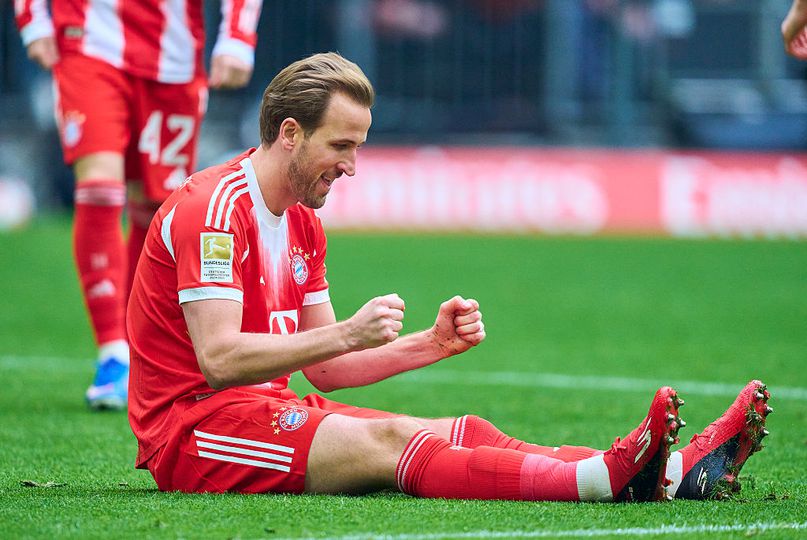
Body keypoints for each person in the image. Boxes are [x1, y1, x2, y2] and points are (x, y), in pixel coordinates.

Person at [127, 52, 772, 501]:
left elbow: (324, 370)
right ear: (290, 133)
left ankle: (673, 473)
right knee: (393, 440)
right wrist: (349, 332)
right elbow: (219, 360)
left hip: (260, 408)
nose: (352, 167)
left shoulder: (302, 222)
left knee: (462, 430)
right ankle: (606, 480)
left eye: (359, 147)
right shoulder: (214, 211)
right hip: (193, 431)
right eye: (341, 146)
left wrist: (427, 345)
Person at [14, 0, 264, 410]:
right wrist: (32, 19)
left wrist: (237, 36)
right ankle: (113, 352)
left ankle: (138, 348)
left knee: (156, 208)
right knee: (99, 187)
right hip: (87, 42)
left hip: (173, 57)